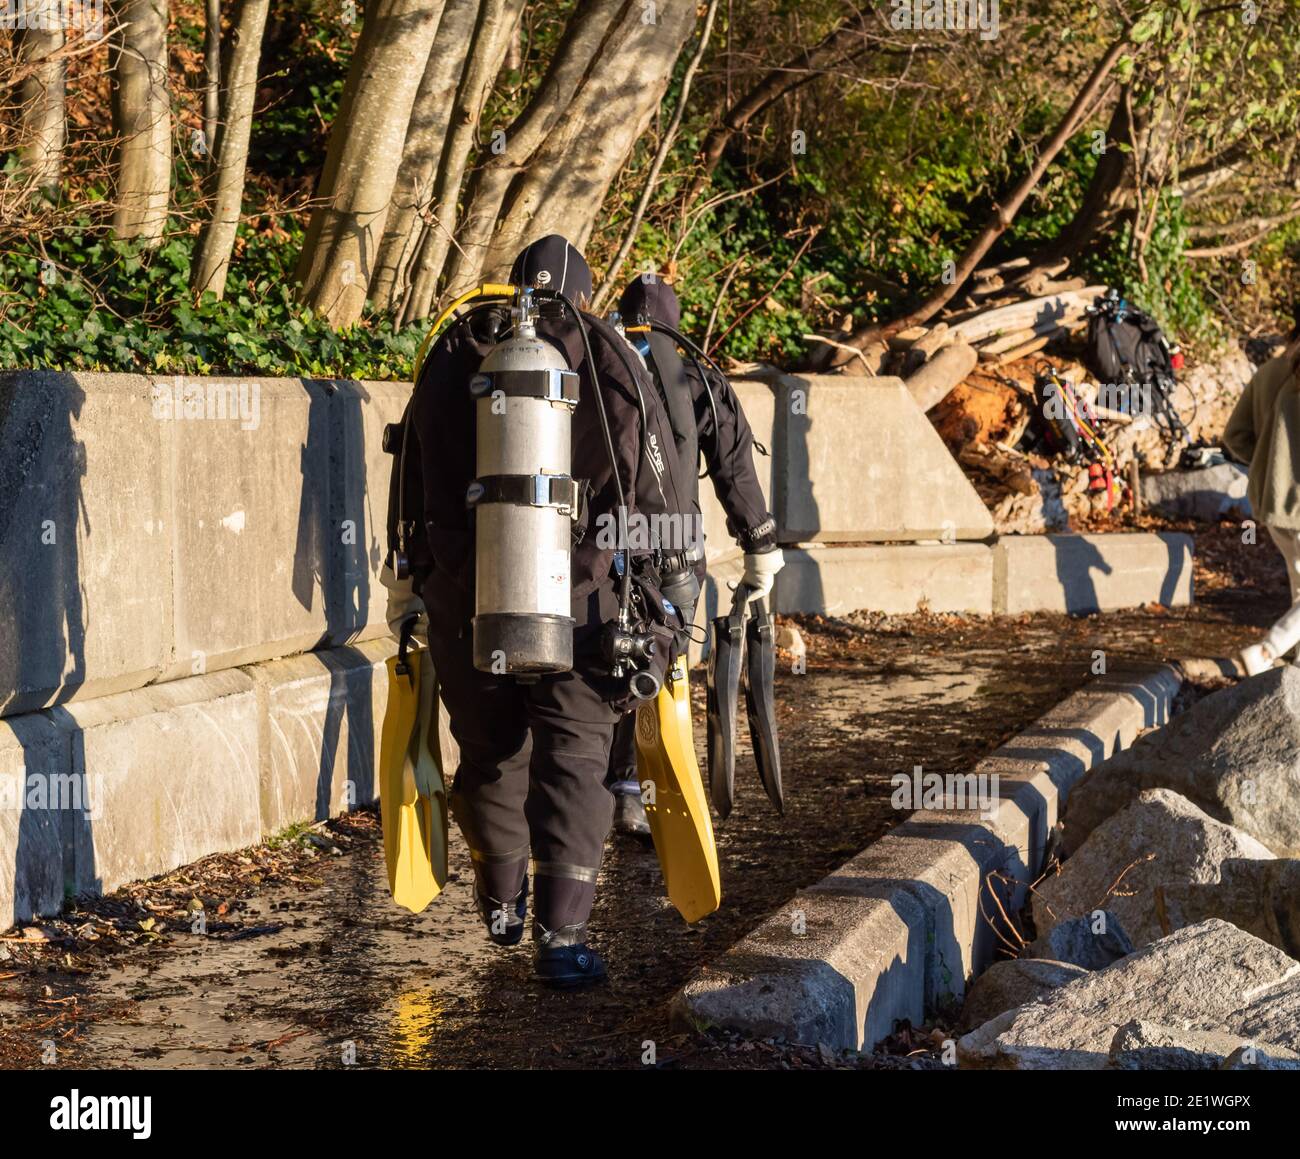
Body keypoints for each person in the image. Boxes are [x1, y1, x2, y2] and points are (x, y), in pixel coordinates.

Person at [382, 236, 693, 986]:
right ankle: (560, 941)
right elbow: (656, 485)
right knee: (577, 756)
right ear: (583, 293)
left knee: (490, 750)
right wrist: (669, 599)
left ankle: (501, 909)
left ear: (513, 285)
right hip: (585, 600)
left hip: (465, 596)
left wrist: (410, 588)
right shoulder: (608, 353)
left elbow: (408, 479)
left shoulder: (455, 349)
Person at [603, 273, 783, 836]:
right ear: (675, 326)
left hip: (605, 553)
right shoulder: (696, 380)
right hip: (677, 560)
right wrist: (761, 550)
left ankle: (610, 790)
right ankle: (645, 788)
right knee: (662, 668)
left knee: (605, 663)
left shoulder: (596, 372)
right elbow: (734, 468)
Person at [1223, 322, 1300, 676]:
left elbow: (1235, 436)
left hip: (1271, 505)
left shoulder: (1269, 372)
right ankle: (1266, 653)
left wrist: (1268, 467)